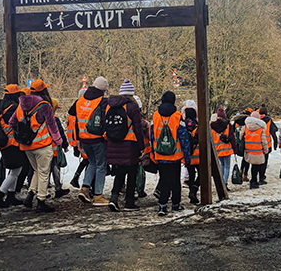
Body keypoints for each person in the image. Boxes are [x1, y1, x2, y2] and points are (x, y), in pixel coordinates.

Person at [9, 79, 62, 213]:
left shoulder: (20, 105)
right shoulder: (44, 105)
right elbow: (52, 126)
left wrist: (23, 133)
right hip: (42, 145)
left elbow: (11, 122)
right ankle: (41, 201)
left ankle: (30, 195)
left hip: (27, 146)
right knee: (44, 172)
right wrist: (59, 141)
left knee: (37, 170)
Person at [69, 77, 110, 206]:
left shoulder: (80, 101)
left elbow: (74, 120)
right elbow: (105, 120)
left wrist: (77, 140)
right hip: (98, 139)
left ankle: (85, 188)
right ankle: (98, 195)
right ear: (104, 89)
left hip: (84, 139)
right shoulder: (103, 101)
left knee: (92, 163)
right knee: (101, 166)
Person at [106, 79, 144, 211]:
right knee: (132, 173)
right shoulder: (132, 107)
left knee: (120, 172)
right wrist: (141, 146)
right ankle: (129, 201)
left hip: (114, 143)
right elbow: (138, 128)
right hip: (130, 144)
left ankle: (114, 198)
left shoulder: (110, 105)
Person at [151, 91, 190, 216]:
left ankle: (162, 206)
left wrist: (153, 153)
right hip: (175, 156)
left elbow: (152, 136)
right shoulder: (178, 116)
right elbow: (183, 138)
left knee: (164, 180)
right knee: (175, 180)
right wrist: (187, 156)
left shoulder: (155, 116)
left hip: (160, 155)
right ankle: (175, 204)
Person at [0, 84, 27, 208]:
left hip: (3, 141)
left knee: (14, 170)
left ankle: (11, 196)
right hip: (12, 143)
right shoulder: (13, 108)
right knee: (16, 171)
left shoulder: (0, 106)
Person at [211, 108, 237, 189]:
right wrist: (235, 148)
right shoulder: (228, 125)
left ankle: (220, 182)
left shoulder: (211, 125)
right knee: (227, 166)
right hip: (227, 149)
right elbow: (232, 137)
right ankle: (225, 182)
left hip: (217, 148)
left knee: (221, 165)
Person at [241, 111, 268, 189]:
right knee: (256, 167)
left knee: (249, 164)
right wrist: (266, 150)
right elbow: (263, 140)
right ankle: (254, 181)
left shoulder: (245, 127)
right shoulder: (261, 128)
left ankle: (251, 180)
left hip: (248, 150)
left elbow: (241, 137)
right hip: (258, 150)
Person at [50, 98, 70, 198]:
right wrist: (65, 145)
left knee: (43, 171)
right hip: (54, 149)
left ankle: (41, 189)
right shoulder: (55, 119)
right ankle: (58, 188)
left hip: (42, 147)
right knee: (55, 168)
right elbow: (60, 133)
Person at [259, 105, 278, 183]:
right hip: (267, 144)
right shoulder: (269, 121)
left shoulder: (257, 120)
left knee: (258, 161)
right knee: (265, 161)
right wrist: (275, 143)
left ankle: (258, 175)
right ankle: (261, 176)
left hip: (258, 144)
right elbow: (273, 133)